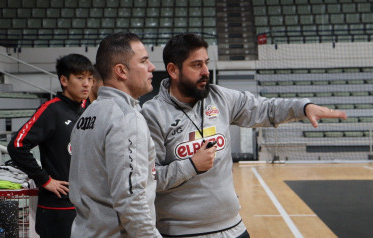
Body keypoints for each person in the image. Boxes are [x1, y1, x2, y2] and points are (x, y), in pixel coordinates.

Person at [140, 33, 347, 237]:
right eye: (196, 65)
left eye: (206, 63)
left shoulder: (220, 98)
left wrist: (303, 107)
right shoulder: (152, 114)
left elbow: (266, 109)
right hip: (182, 233)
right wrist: (191, 165)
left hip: (232, 228)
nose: (206, 71)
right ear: (173, 70)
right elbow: (150, 179)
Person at [69, 32, 161, 237]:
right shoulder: (126, 118)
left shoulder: (88, 114)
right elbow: (131, 200)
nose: (152, 67)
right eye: (144, 61)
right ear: (121, 71)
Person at [7, 54, 94, 238]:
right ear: (64, 80)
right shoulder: (51, 110)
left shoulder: (88, 109)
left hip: (85, 206)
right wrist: (44, 179)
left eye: (89, 78)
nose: (86, 84)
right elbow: (17, 145)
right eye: (80, 78)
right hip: (57, 209)